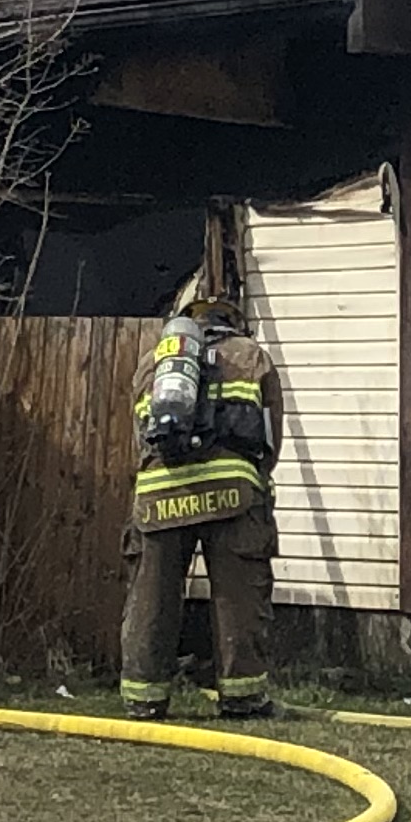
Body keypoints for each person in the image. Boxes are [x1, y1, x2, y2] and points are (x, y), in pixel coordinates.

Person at [119, 291, 279, 720]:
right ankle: (244, 697)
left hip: (160, 494)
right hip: (232, 494)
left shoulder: (153, 363)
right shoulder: (251, 356)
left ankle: (144, 699)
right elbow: (269, 438)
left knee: (151, 599)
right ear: (232, 322)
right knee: (238, 597)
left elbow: (141, 438)